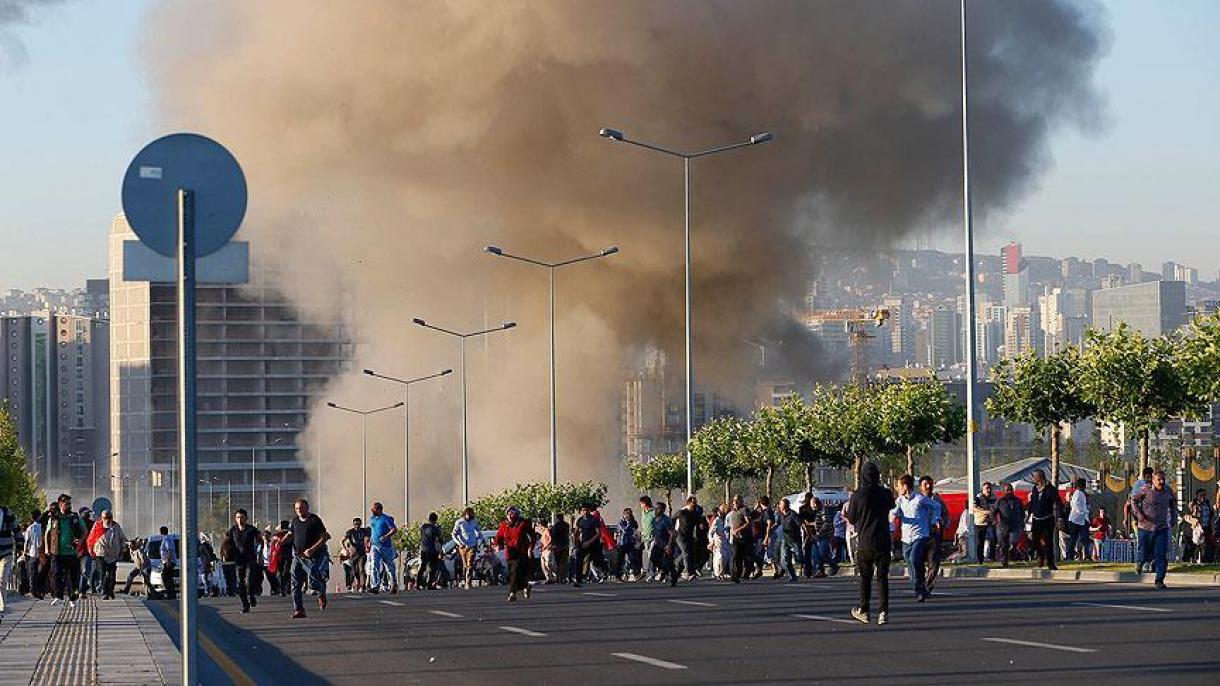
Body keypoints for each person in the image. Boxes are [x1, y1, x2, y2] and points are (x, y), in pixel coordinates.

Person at [848, 462, 897, 625]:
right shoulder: (885, 493)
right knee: (882, 578)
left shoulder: (857, 495)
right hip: (883, 539)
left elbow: (852, 518)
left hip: (865, 541)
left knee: (865, 578)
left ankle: (865, 609)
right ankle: (883, 612)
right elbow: (892, 505)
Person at [281, 499, 330, 619]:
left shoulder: (314, 520)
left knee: (313, 581)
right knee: (295, 584)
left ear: (307, 508)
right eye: (297, 509)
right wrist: (281, 541)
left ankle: (321, 591)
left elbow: (325, 536)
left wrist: (312, 549)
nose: (299, 511)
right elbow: (291, 533)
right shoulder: (295, 521)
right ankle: (298, 609)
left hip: (314, 556)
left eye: (301, 508)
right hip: (298, 557)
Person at [1131, 469, 1177, 588]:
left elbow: (1173, 503)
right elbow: (1133, 500)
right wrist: (1140, 515)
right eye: (1159, 480)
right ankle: (1140, 562)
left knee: (1161, 555)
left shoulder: (1168, 491)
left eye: (1163, 479)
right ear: (1153, 480)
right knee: (1144, 552)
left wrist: (1173, 517)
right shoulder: (1145, 490)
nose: (1161, 482)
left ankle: (1159, 580)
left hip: (1161, 528)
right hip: (1145, 527)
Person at [891, 474, 933, 602]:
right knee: (909, 561)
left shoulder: (920, 499)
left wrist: (935, 519)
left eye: (899, 486)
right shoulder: (900, 500)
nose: (898, 489)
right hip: (906, 537)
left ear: (905, 486)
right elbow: (895, 512)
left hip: (920, 535)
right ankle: (920, 586)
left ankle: (919, 588)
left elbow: (936, 506)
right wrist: (892, 515)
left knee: (914, 558)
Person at [45, 494, 87, 607]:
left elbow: (84, 531)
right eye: (66, 503)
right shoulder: (54, 518)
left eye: (69, 503)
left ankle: (73, 599)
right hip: (57, 552)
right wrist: (46, 548)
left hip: (72, 552)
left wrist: (80, 542)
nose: (68, 505)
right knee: (56, 575)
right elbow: (47, 533)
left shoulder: (74, 517)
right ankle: (58, 597)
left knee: (73, 577)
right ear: (60, 504)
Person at [493, 506, 535, 602]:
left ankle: (513, 593)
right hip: (510, 552)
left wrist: (530, 548)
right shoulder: (504, 525)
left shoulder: (523, 523)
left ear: (517, 514)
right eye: (508, 514)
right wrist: (498, 545)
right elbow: (498, 537)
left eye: (512, 513)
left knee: (515, 571)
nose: (510, 516)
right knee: (512, 573)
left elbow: (532, 536)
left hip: (521, 551)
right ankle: (526, 585)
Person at [87, 510, 127, 601]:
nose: (108, 520)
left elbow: (122, 538)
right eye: (105, 518)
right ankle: (105, 592)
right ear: (102, 518)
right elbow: (91, 538)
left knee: (112, 575)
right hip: (100, 554)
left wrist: (123, 548)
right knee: (104, 574)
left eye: (109, 518)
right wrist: (91, 550)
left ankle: (110, 591)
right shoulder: (97, 525)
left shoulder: (116, 526)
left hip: (113, 555)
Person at [227, 509, 261, 613]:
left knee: (250, 582)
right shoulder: (232, 530)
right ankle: (245, 605)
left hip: (251, 559)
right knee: (240, 583)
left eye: (242, 517)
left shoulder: (252, 530)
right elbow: (228, 543)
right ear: (235, 519)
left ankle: (251, 595)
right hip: (239, 560)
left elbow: (260, 541)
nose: (240, 519)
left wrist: (259, 553)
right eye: (238, 517)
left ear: (246, 518)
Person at [1027, 469, 1060, 570]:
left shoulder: (1051, 489)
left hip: (1048, 519)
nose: (1033, 478)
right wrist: (1028, 515)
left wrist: (1059, 517)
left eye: (1035, 476)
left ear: (1040, 477)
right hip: (1036, 519)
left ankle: (1051, 563)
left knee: (1049, 542)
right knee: (1034, 541)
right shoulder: (1035, 489)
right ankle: (1041, 556)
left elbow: (1057, 503)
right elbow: (1032, 503)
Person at [921, 476, 948, 593]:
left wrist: (943, 524)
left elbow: (946, 515)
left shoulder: (938, 500)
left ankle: (927, 584)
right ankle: (920, 582)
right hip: (920, 535)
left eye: (930, 484)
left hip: (934, 534)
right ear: (920, 487)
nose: (928, 486)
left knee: (934, 562)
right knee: (918, 562)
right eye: (925, 484)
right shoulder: (917, 500)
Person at [367, 502, 399, 593]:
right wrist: (370, 541)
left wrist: (386, 536)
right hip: (375, 546)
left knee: (389, 566)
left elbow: (394, 529)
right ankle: (375, 586)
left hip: (385, 547)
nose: (372, 511)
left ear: (379, 509)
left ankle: (393, 584)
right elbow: (373, 531)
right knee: (374, 565)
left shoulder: (386, 518)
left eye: (374, 509)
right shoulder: (372, 519)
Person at [990, 483, 1024, 567]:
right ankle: (1004, 562)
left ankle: (1012, 555)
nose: (1009, 492)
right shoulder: (1000, 501)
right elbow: (993, 511)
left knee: (1014, 541)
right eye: (1007, 490)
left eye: (1010, 490)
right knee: (1003, 545)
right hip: (1003, 526)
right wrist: (994, 520)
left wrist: (1021, 521)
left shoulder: (1017, 501)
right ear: (1004, 491)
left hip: (1015, 525)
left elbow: (1022, 512)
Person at [572, 503, 604, 587]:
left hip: (593, 544)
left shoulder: (593, 520)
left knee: (597, 561)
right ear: (581, 511)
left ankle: (604, 573)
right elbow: (577, 532)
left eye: (586, 510)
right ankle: (578, 579)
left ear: (589, 510)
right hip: (583, 544)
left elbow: (598, 533)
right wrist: (575, 541)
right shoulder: (580, 520)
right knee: (579, 560)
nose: (585, 512)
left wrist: (589, 542)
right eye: (583, 510)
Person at [452, 507, 482, 590]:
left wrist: (479, 541)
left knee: (470, 564)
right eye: (467, 514)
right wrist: (459, 543)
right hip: (463, 546)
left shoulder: (474, 522)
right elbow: (453, 534)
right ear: (465, 514)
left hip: (472, 545)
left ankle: (468, 583)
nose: (469, 516)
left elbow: (479, 532)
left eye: (470, 514)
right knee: (465, 565)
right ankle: (465, 580)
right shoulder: (459, 522)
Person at [674, 496, 701, 582]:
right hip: (681, 536)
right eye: (693, 503)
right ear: (689, 503)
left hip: (690, 536)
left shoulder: (695, 514)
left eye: (696, 503)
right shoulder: (682, 512)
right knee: (686, 553)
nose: (695, 505)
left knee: (688, 553)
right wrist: (673, 530)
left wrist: (696, 534)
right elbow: (673, 519)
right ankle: (687, 573)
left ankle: (675, 562)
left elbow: (697, 525)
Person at [775, 498, 801, 582]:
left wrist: (808, 534)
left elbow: (801, 524)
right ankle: (792, 576)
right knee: (786, 560)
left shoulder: (793, 514)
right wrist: (768, 532)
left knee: (799, 557)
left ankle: (802, 562)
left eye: (781, 505)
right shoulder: (780, 514)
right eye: (780, 505)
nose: (779, 506)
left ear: (785, 506)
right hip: (786, 540)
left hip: (795, 539)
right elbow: (777, 524)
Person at [727, 496, 752, 583]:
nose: (735, 502)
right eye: (734, 500)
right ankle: (734, 575)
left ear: (741, 501)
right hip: (735, 538)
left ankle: (741, 574)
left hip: (744, 538)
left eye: (737, 500)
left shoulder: (744, 510)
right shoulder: (732, 512)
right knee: (735, 556)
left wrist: (738, 530)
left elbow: (748, 523)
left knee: (743, 557)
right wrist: (731, 531)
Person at [416, 512, 443, 590]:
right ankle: (429, 584)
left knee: (422, 567)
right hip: (432, 550)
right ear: (436, 519)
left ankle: (418, 584)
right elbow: (440, 540)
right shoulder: (435, 529)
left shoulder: (423, 527)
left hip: (424, 549)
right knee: (433, 568)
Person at [971, 482, 997, 562]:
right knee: (980, 541)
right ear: (983, 489)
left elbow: (996, 507)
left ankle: (992, 557)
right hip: (981, 522)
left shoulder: (994, 497)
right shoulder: (979, 497)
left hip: (990, 521)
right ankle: (980, 559)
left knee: (993, 539)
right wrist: (986, 512)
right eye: (986, 488)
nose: (988, 490)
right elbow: (974, 508)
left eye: (990, 488)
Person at [1066, 478, 1091, 561]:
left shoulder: (1082, 494)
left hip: (1082, 520)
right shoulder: (1077, 494)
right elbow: (1075, 505)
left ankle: (1087, 555)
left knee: (1085, 538)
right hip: (1075, 520)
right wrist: (1084, 511)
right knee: (1073, 539)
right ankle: (1069, 556)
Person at [343, 517, 370, 593]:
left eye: (358, 524)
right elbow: (342, 541)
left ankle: (363, 586)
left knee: (361, 569)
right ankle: (358, 582)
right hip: (353, 553)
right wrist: (346, 549)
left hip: (362, 553)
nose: (357, 526)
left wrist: (368, 545)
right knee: (354, 571)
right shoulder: (350, 532)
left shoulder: (364, 531)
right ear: (353, 524)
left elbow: (368, 538)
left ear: (360, 524)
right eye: (355, 524)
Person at [23, 510, 45, 599]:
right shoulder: (44, 527)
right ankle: (40, 590)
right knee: (41, 573)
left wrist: (24, 552)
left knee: (32, 573)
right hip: (43, 553)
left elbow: (26, 542)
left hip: (33, 553)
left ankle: (32, 590)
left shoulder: (30, 528)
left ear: (32, 517)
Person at [615, 508, 640, 581]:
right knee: (619, 560)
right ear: (624, 514)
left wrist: (636, 540)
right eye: (627, 514)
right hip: (621, 543)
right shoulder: (621, 522)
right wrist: (628, 523)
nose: (629, 515)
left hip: (630, 543)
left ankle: (636, 574)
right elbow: (624, 530)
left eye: (630, 514)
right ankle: (618, 576)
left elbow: (635, 529)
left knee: (633, 559)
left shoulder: (633, 522)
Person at [797, 493, 818, 578]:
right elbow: (803, 521)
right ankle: (809, 570)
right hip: (810, 531)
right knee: (810, 551)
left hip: (808, 531)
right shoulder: (806, 509)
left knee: (808, 552)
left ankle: (808, 570)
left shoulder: (803, 508)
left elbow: (802, 521)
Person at [0, 503, 14, 617]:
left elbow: (16, 526)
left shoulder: (6, 512)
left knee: (1, 580)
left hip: (5, 552)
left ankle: (1, 608)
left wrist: (20, 541)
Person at [549, 514, 570, 584]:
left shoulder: (555, 526)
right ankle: (563, 578)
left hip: (557, 546)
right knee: (563, 563)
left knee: (558, 563)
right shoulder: (566, 525)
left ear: (557, 518)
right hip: (565, 545)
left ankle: (558, 578)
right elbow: (567, 535)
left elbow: (553, 536)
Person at [158, 525, 178, 600]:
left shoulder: (167, 539)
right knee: (168, 577)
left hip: (169, 561)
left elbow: (169, 550)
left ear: (161, 532)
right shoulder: (167, 538)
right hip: (168, 561)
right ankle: (171, 593)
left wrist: (168, 561)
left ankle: (171, 593)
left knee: (165, 577)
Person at [638, 496, 655, 581]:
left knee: (651, 555)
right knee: (649, 555)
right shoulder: (643, 512)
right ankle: (652, 572)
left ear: (644, 503)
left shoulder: (654, 512)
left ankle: (649, 573)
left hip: (653, 537)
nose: (640, 505)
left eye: (641, 503)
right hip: (645, 538)